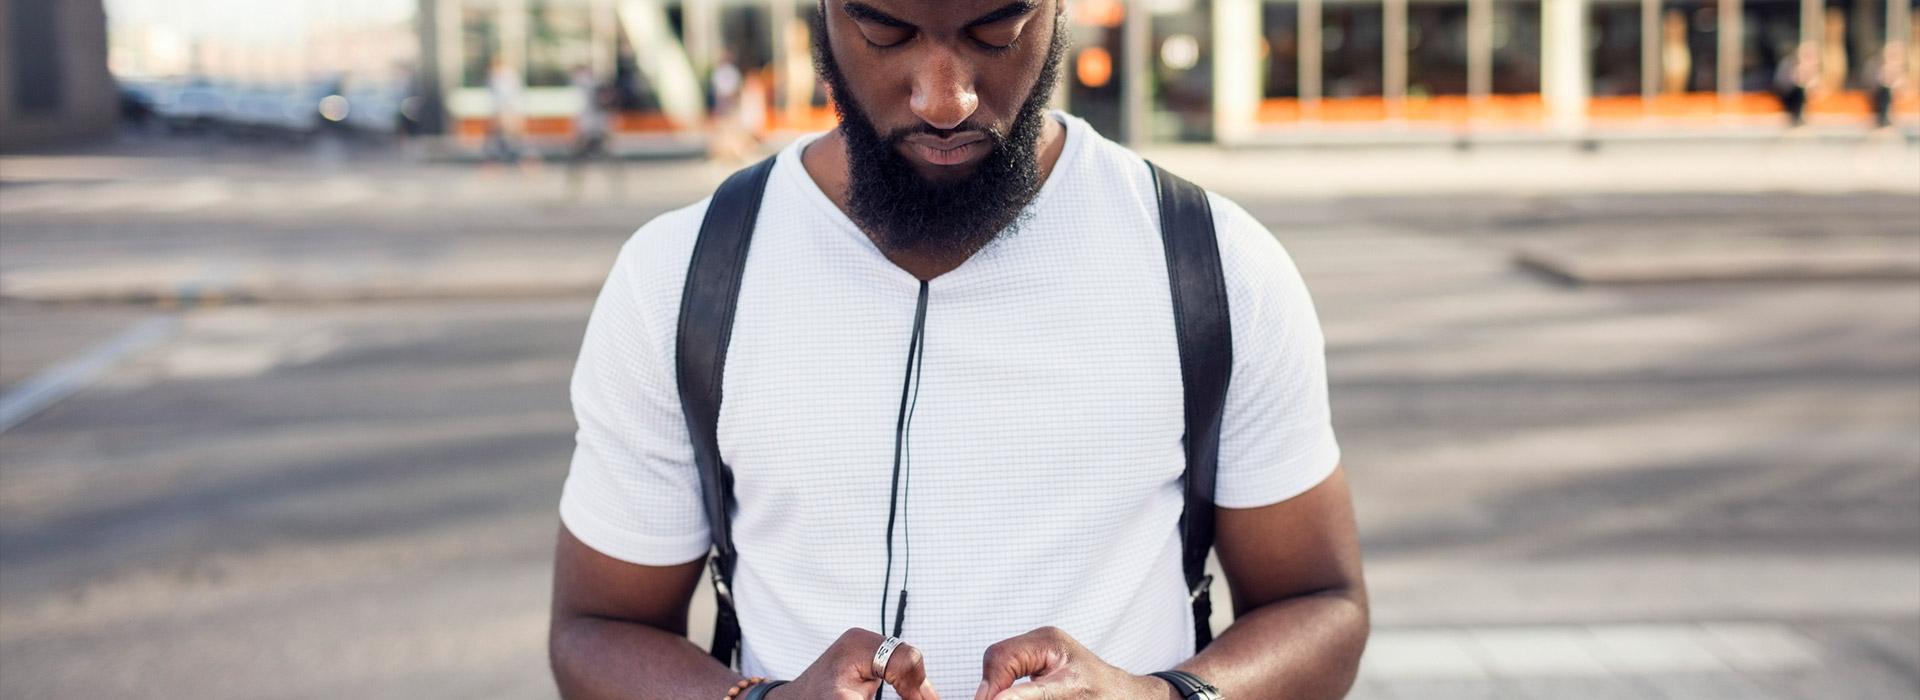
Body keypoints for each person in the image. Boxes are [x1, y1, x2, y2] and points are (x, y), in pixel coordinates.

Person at [549, 1, 1367, 699]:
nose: (945, 98)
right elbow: (596, 628)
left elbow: (1322, 605)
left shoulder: (1215, 264)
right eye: (886, 30)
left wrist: (1156, 695)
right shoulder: (681, 276)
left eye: (997, 29)